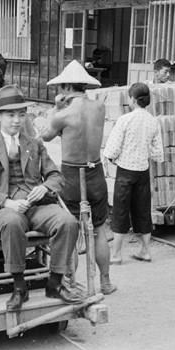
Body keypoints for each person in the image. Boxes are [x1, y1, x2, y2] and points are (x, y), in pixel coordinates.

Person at [0, 85, 82, 311]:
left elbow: (55, 175)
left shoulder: (34, 143)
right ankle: (19, 287)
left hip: (36, 205)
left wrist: (44, 188)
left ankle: (55, 283)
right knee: (12, 223)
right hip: (5, 207)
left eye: (21, 115)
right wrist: (7, 202)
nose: (16, 121)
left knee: (68, 221)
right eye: (11, 115)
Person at [40, 60, 116, 295]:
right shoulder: (99, 107)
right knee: (99, 228)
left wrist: (55, 108)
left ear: (65, 87)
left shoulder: (62, 115)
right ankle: (104, 281)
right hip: (95, 171)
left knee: (70, 229)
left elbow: (45, 136)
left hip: (71, 173)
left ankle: (71, 282)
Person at [103, 83, 163, 263]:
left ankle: (116, 254)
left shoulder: (125, 120)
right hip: (143, 171)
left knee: (120, 211)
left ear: (133, 99)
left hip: (125, 171)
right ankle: (145, 251)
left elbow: (111, 150)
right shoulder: (153, 121)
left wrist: (113, 158)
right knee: (143, 211)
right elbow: (158, 153)